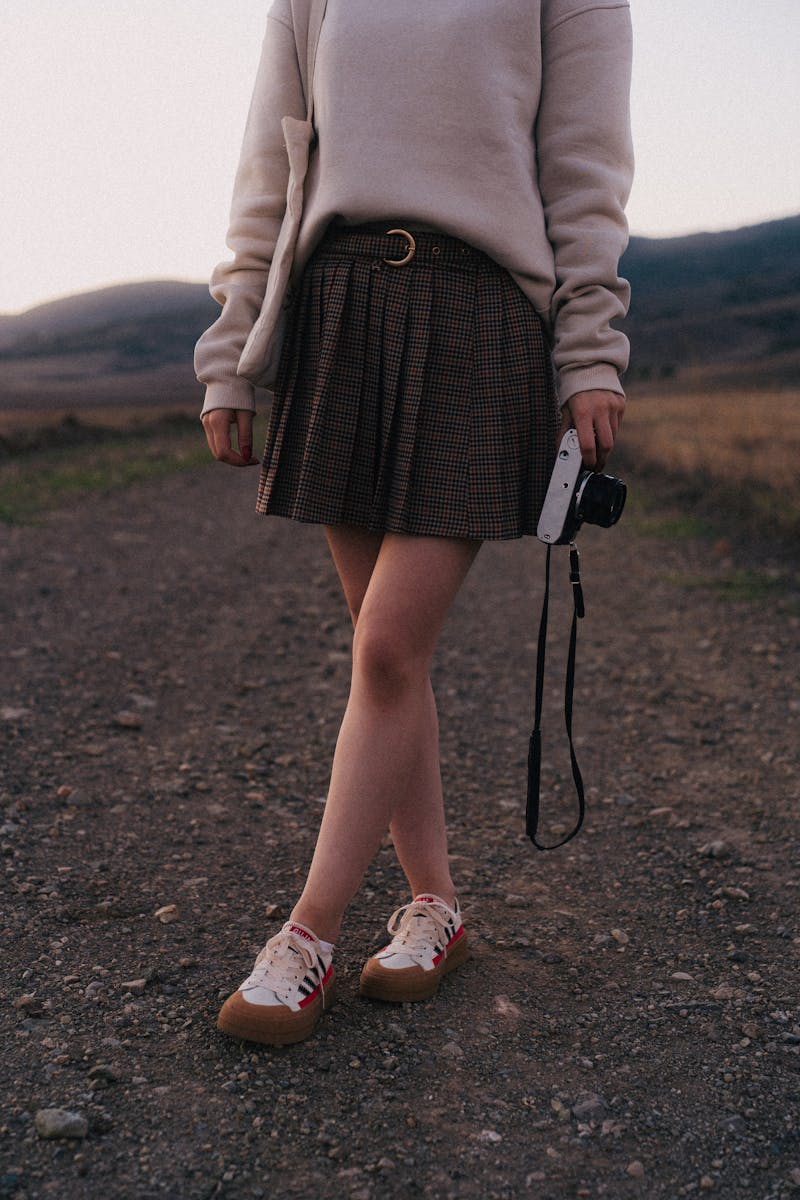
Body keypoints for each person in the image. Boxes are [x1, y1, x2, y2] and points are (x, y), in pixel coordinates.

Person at [195, 0, 633, 1046]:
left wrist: (589, 352)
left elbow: (584, 170)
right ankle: (432, 906)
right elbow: (270, 161)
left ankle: (308, 934)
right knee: (388, 657)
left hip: (481, 318)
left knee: (390, 643)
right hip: (337, 312)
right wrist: (229, 351)